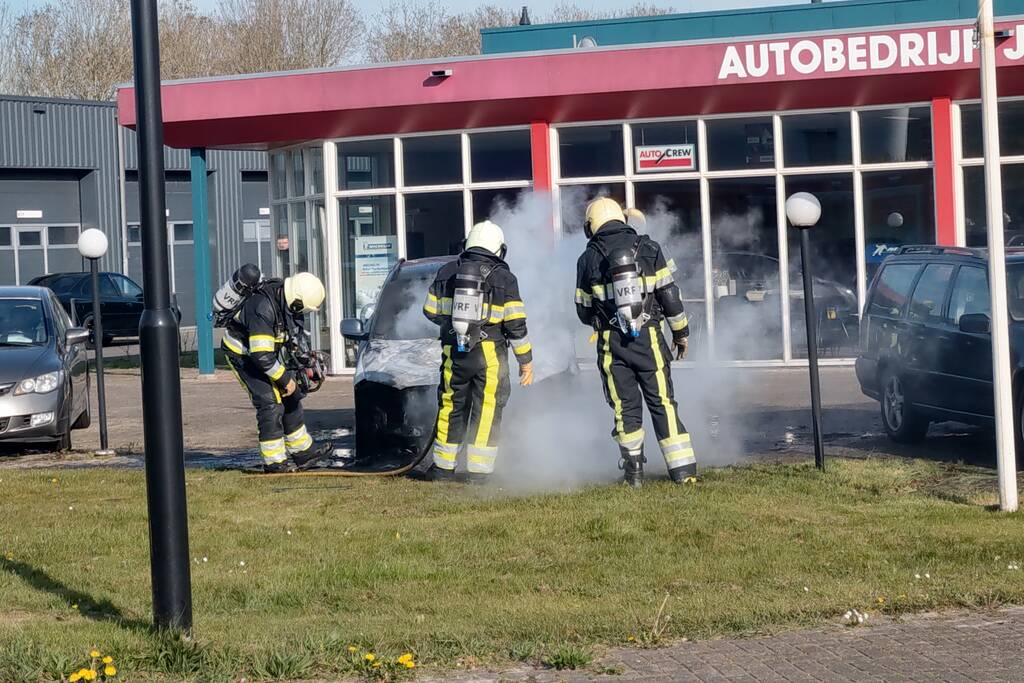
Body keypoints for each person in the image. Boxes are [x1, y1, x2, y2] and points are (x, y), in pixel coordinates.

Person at [574, 197, 696, 487]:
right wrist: (681, 334)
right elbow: (670, 297)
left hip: (610, 343)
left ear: (590, 226)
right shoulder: (650, 248)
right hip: (650, 338)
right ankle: (683, 472)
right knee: (663, 402)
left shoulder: (587, 258)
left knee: (624, 407)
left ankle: (634, 475)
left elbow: (582, 310)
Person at [423, 220, 534, 482]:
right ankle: (479, 473)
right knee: (487, 409)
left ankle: (443, 468)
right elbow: (516, 324)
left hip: (454, 353)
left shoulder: (447, 272)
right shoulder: (505, 278)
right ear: (500, 249)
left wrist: (452, 328)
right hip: (490, 356)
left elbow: (430, 311)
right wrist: (526, 362)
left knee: (451, 405)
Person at [221, 271, 333, 473]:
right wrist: (285, 379)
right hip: (243, 355)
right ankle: (274, 462)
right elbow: (261, 357)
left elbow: (287, 337)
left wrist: (300, 366)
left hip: (264, 354)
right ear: (297, 302)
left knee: (292, 396)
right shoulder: (263, 308)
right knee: (270, 402)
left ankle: (303, 452)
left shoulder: (285, 302)